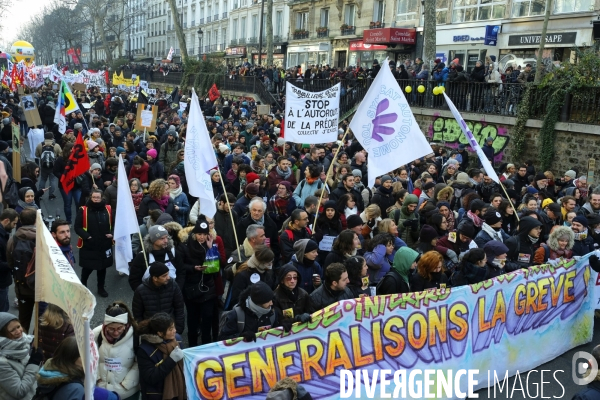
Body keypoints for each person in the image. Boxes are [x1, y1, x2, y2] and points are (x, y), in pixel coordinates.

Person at [181, 219, 218, 347]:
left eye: (204, 234)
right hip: (192, 289)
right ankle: (192, 347)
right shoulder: (185, 247)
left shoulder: (211, 245)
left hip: (208, 287)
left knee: (207, 318)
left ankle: (206, 347)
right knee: (192, 320)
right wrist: (193, 268)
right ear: (194, 234)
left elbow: (216, 267)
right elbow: (180, 266)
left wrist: (210, 248)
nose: (201, 237)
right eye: (199, 234)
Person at [93, 302, 140, 400]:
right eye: (111, 329)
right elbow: (90, 358)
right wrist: (97, 378)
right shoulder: (96, 334)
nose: (116, 332)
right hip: (102, 391)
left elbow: (139, 363)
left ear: (126, 324)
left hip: (127, 393)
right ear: (105, 326)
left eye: (119, 328)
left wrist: (126, 384)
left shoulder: (136, 336)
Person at [137, 313, 186, 400]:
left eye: (174, 327)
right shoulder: (144, 350)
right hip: (158, 394)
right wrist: (171, 360)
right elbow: (151, 377)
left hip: (179, 390)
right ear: (160, 333)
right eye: (170, 329)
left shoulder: (177, 339)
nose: (174, 331)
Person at [74, 189, 113, 297]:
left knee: (102, 268)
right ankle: (83, 287)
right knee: (87, 268)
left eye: (98, 197)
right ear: (90, 198)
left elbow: (114, 224)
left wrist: (112, 233)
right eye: (94, 197)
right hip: (89, 245)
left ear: (102, 198)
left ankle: (101, 288)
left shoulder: (108, 209)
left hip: (104, 244)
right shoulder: (83, 210)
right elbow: (77, 227)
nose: (96, 199)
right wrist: (87, 237)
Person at [132, 262, 185, 334]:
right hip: (151, 332)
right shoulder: (140, 291)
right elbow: (137, 315)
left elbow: (179, 308)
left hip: (169, 330)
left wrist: (178, 330)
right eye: (164, 276)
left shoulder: (173, 285)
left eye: (168, 274)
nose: (168, 277)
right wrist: (144, 331)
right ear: (155, 278)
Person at [6, 208, 37, 332]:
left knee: (24, 319)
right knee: (41, 320)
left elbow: (10, 263)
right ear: (35, 220)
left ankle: (22, 344)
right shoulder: (41, 238)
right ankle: (36, 347)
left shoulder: (13, 239)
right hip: (39, 287)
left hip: (22, 287)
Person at [129, 224, 186, 291]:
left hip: (172, 294)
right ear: (153, 240)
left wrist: (177, 289)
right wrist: (144, 294)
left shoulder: (172, 253)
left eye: (166, 237)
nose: (166, 241)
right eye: (162, 238)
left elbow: (181, 272)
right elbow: (134, 280)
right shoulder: (143, 256)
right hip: (150, 297)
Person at [0, 312, 43, 400]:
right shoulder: (2, 362)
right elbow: (19, 391)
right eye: (13, 330)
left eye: (19, 326)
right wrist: (34, 363)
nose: (19, 331)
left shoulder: (22, 343)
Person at [228, 245, 276, 310]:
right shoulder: (242, 275)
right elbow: (236, 299)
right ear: (260, 263)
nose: (271, 265)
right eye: (268, 263)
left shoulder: (267, 272)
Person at [0, 209, 17, 312]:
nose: (14, 226)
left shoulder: (4, 234)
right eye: (14, 223)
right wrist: (12, 263)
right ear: (6, 220)